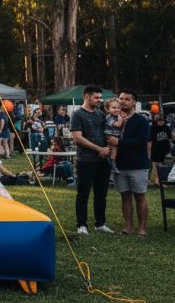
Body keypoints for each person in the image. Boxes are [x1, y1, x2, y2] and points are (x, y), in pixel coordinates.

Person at [71, 84, 113, 235]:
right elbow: (78, 138)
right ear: (87, 97)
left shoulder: (101, 115)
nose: (99, 100)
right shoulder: (78, 114)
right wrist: (98, 149)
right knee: (83, 194)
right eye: (96, 97)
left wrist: (107, 148)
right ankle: (82, 225)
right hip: (86, 160)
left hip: (102, 161)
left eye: (100, 98)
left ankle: (100, 223)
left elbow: (108, 133)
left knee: (101, 195)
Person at [107, 90, 150, 236]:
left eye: (127, 99)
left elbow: (142, 141)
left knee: (140, 196)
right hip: (119, 165)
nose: (123, 101)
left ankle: (142, 229)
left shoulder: (141, 120)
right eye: (121, 98)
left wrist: (119, 142)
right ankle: (128, 227)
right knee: (125, 197)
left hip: (138, 164)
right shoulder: (112, 119)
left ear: (134, 102)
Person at [149, 113, 175, 185]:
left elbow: (171, 137)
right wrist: (150, 150)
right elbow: (150, 140)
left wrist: (172, 131)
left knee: (166, 165)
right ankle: (157, 179)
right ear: (156, 121)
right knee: (156, 165)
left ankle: (165, 179)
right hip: (155, 149)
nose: (160, 122)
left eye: (162, 120)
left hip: (166, 149)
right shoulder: (152, 128)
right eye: (158, 120)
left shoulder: (166, 127)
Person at [103, 98, 124, 173]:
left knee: (114, 149)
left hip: (115, 135)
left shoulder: (115, 116)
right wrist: (121, 120)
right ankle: (112, 164)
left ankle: (112, 162)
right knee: (114, 149)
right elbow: (118, 125)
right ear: (108, 109)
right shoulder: (109, 117)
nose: (116, 110)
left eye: (118, 108)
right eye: (113, 108)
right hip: (110, 135)